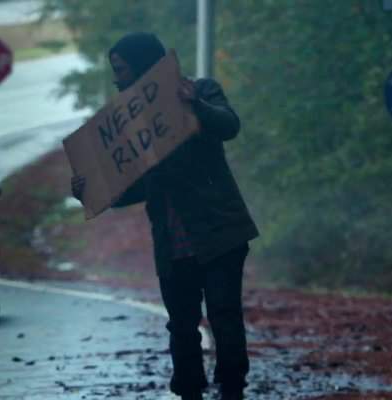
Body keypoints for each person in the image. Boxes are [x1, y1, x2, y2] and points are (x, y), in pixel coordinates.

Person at [71, 32, 259, 400]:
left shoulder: (200, 90)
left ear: (141, 64)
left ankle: (232, 389)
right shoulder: (129, 123)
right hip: (172, 241)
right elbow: (140, 186)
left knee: (224, 315)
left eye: (121, 69)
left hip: (219, 230)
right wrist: (95, 192)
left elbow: (229, 125)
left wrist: (195, 107)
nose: (117, 78)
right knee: (182, 324)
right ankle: (189, 390)